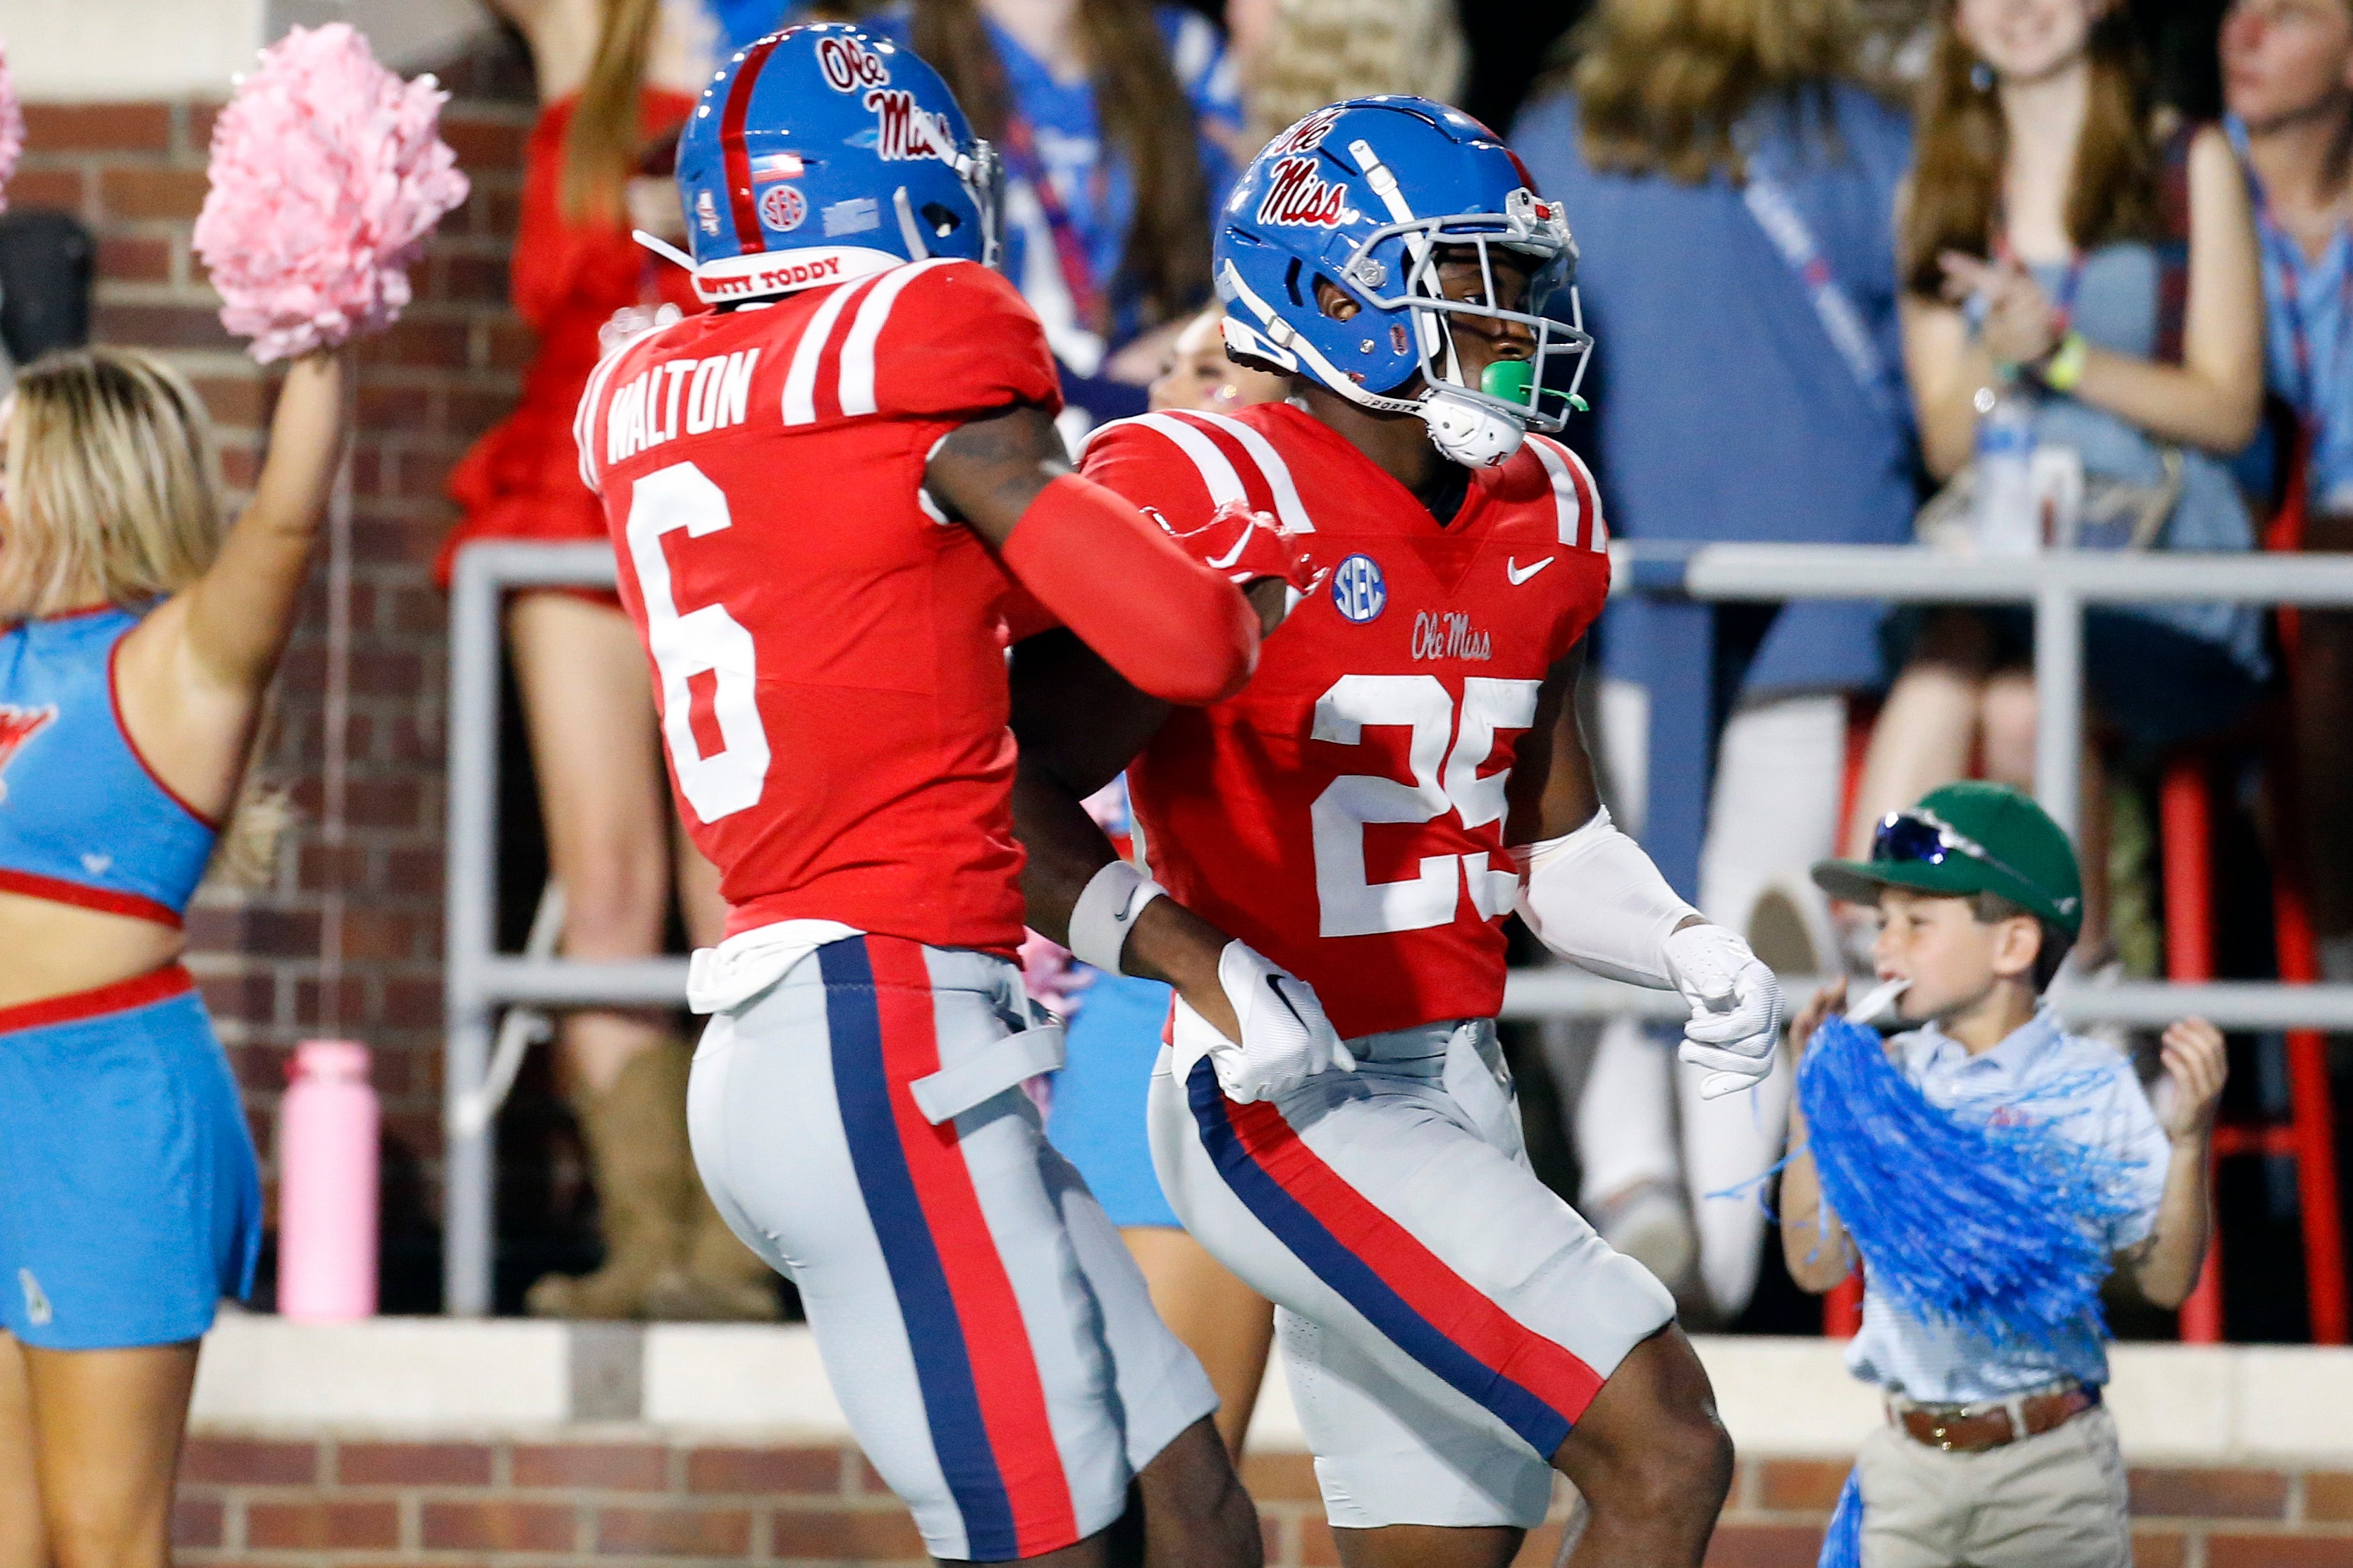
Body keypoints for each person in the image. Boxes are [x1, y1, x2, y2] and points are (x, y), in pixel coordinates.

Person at [1013, 98, 1783, 1567]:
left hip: (1456, 1077)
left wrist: (1681, 937)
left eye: (1517, 276)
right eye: (1470, 277)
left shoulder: (1538, 502)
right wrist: (1192, 960)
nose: (1514, 316)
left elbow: (1542, 841)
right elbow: (1007, 777)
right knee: (1668, 1445)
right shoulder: (1212, 489)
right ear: (1333, 294)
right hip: (1284, 1094)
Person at [577, 26, 1275, 1562]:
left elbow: (916, 631)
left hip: (842, 1027)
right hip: (880, 1039)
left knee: (1197, 1512)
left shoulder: (646, 385)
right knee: (1059, 1544)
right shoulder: (919, 340)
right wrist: (1240, 530)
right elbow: (1188, 639)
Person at [1508, 0, 1918, 1323]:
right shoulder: (1866, 131)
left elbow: (1523, 361)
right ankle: (1739, 1260)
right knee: (1748, 911)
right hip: (1823, 567)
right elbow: (1922, 370)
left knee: (1592, 899)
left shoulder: (1559, 132)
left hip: (1623, 567)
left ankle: (1636, 1199)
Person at [443, 0, 773, 1322]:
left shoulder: (812, 48)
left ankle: (743, 1242)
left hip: (726, 488)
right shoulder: (596, 29)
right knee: (610, 885)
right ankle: (646, 1241)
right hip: (566, 492)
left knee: (736, 891)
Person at [0, 349, 343, 1568]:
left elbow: (288, 516)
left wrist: (323, 328)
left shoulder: (178, 660)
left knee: (105, 1541)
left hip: (105, 1106)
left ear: (74, 486)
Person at [1845, 0, 2267, 961]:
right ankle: (1880, 946)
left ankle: (2061, 988)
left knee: (2020, 689)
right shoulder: (1939, 187)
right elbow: (1947, 443)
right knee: (1970, 671)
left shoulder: (2186, 162)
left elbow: (2228, 405)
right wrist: (1999, 359)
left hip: (2154, 567)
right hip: (2000, 555)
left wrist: (2065, 361)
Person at [1781, 782, 2226, 1568]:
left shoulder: (2092, 1085)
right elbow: (1814, 1264)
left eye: (1918, 921)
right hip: (1907, 1463)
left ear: (2014, 945)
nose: (1885, 948)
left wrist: (2187, 1146)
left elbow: (2163, 1280)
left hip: (2048, 1472)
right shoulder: (1888, 1080)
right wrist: (1812, 1103)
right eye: (1883, 921)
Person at [1043, 304, 1286, 1455]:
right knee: (1103, 1468)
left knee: (1180, 1474)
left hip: (1248, 1020)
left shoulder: (1320, 591)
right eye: (1170, 369)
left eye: (1217, 370)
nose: (1179, 390)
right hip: (1108, 1018)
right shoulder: (1078, 574)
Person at [837, 0, 1242, 428]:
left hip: (1143, 400)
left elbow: (1253, 253)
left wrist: (1189, 341)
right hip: (964, 408)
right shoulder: (873, 60)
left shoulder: (1182, 47)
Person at [2221, 0, 2353, 987]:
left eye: (2290, 13)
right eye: (2237, 7)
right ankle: (2337, 946)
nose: (2246, 31)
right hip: (2219, 548)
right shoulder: (2166, 183)